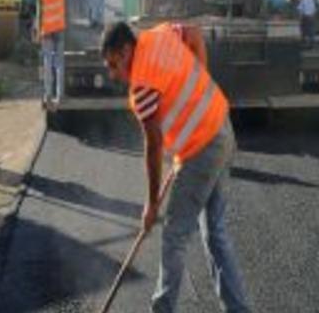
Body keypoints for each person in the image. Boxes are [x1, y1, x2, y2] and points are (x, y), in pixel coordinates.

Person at [100, 21, 251, 313]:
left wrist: (151, 204)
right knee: (214, 232)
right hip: (221, 124)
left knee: (174, 237)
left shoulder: (141, 85)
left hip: (202, 150)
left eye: (114, 64)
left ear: (126, 50)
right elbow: (194, 33)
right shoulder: (159, 34)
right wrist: (202, 79)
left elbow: (153, 147)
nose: (113, 74)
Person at [35, 0, 66, 110]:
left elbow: (39, 9)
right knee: (59, 63)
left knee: (48, 62)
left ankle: (48, 95)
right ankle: (59, 96)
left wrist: (37, 29)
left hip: (47, 28)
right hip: (59, 26)